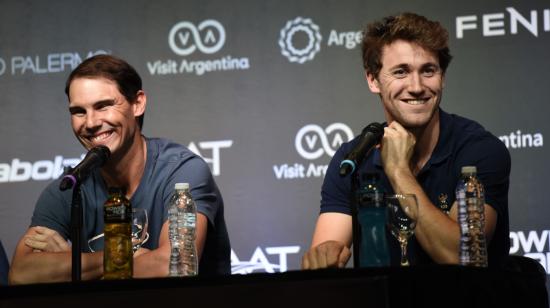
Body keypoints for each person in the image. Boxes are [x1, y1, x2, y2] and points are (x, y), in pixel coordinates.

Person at [302, 13, 510, 269]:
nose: (416, 86)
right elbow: (323, 261)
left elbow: (459, 257)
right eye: (401, 72)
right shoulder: (354, 158)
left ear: (442, 77)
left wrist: (398, 170)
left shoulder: (479, 150)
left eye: (428, 71)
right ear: (372, 80)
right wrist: (325, 257)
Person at [9, 54, 231, 284]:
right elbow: (21, 273)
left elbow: (174, 266)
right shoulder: (70, 188)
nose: (91, 122)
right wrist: (128, 256)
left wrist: (72, 264)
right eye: (78, 111)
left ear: (138, 103)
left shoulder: (183, 172)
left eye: (103, 106)